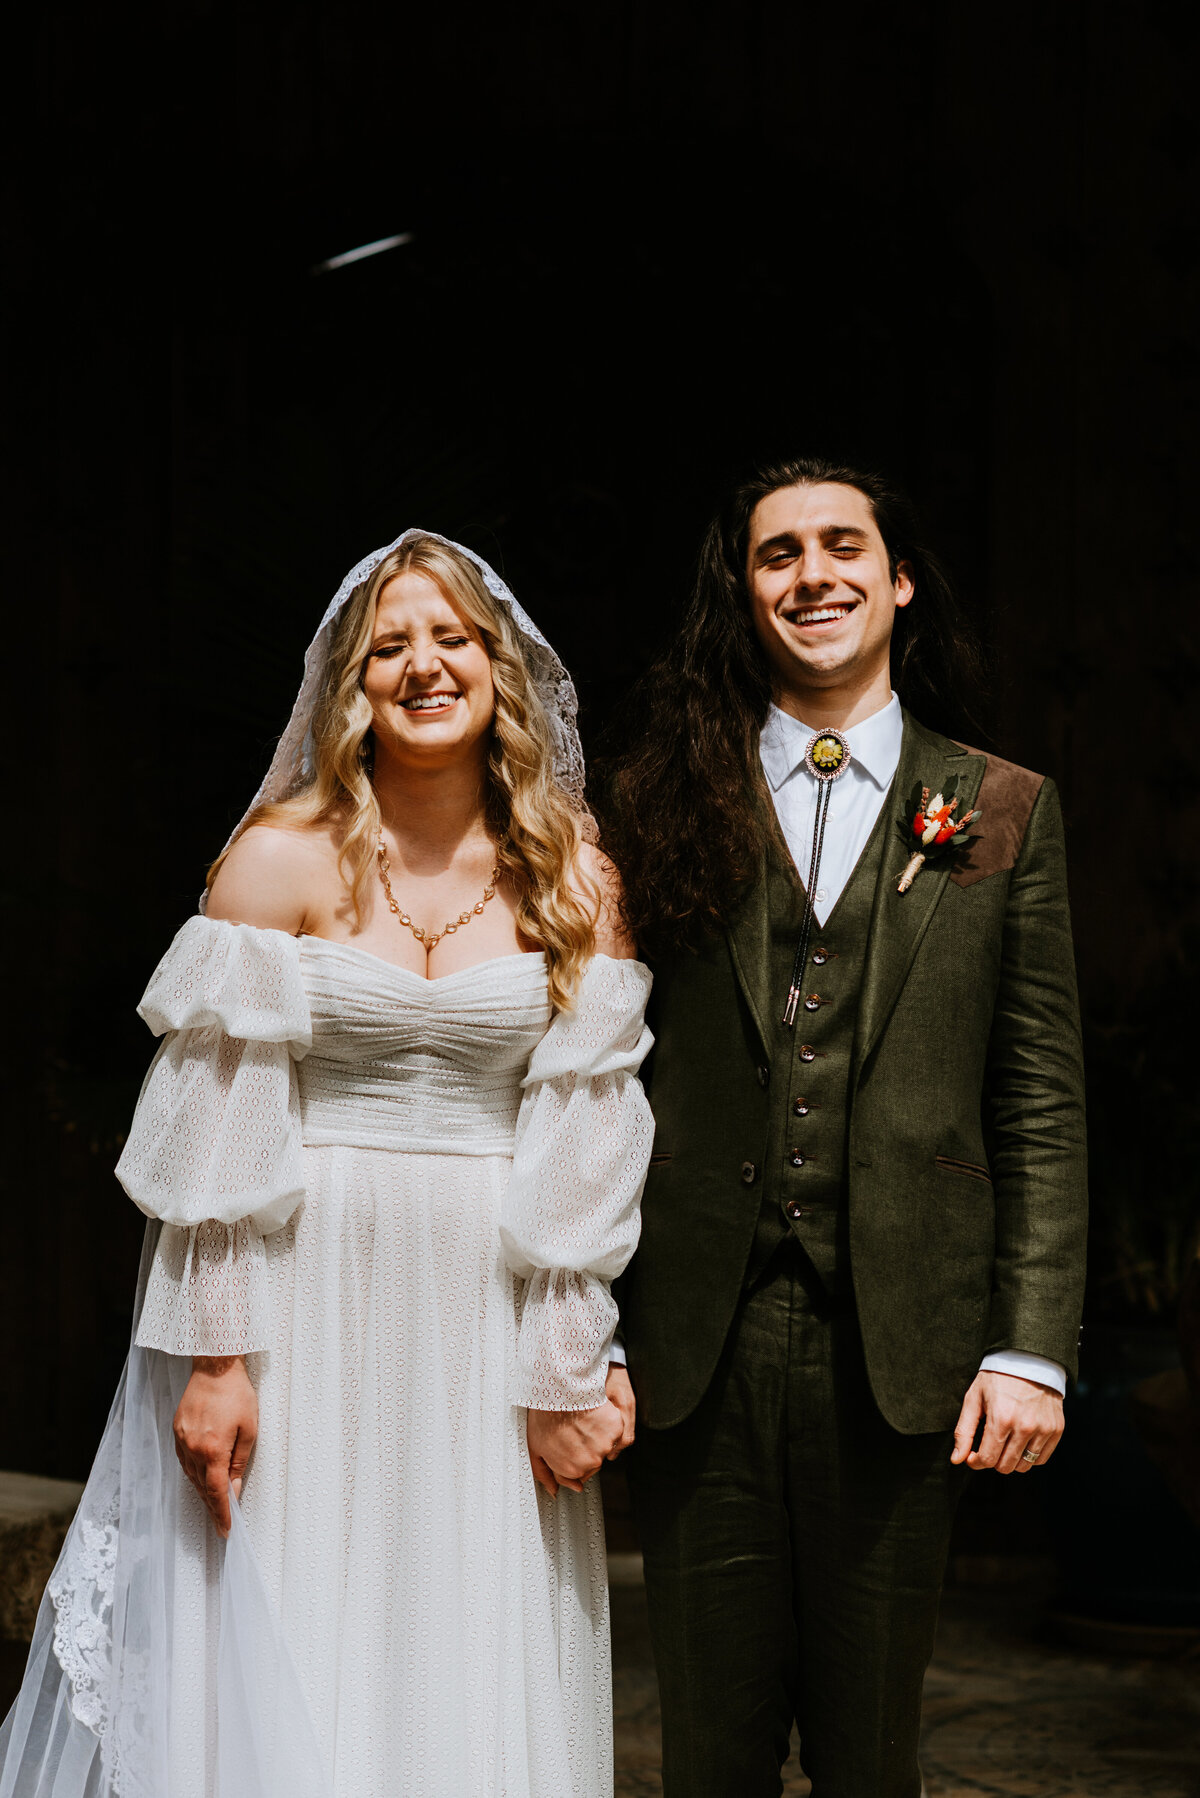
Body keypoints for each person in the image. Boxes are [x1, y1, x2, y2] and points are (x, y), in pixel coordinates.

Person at [1, 530, 653, 1798]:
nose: (422, 666)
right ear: (344, 686)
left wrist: (570, 1362)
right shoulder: (278, 860)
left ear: (498, 671)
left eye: (451, 639)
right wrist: (217, 1360)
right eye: (388, 646)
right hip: (305, 1300)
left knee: (466, 1627)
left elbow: (587, 1130)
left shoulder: (574, 875)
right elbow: (219, 1133)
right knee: (293, 1611)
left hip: (485, 1312)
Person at [604, 456, 1087, 1798]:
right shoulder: (657, 798)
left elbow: (1040, 1098)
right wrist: (582, 1322)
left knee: (874, 1753)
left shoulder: (998, 810)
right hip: (698, 1333)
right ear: (744, 590)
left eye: (841, 545)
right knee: (708, 1751)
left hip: (909, 1343)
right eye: (776, 553)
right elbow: (594, 1079)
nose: (811, 574)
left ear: (900, 575)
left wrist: (1032, 1346)